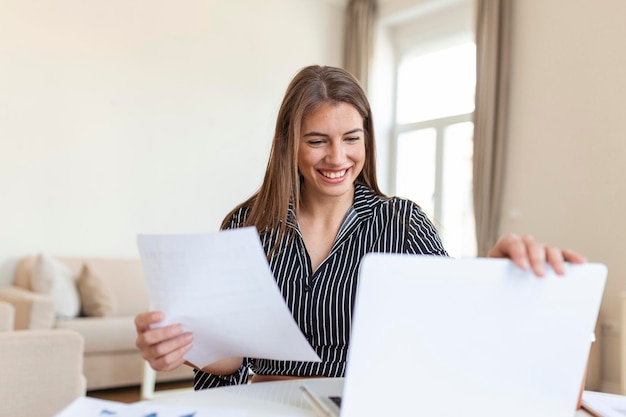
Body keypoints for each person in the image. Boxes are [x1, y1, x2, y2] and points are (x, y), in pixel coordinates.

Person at [135, 65, 586, 390]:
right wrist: (184, 346)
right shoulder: (246, 225)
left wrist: (499, 280)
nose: (337, 158)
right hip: (255, 403)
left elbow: (452, 330)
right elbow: (229, 356)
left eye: (351, 138)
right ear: (289, 145)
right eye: (317, 141)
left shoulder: (402, 224)